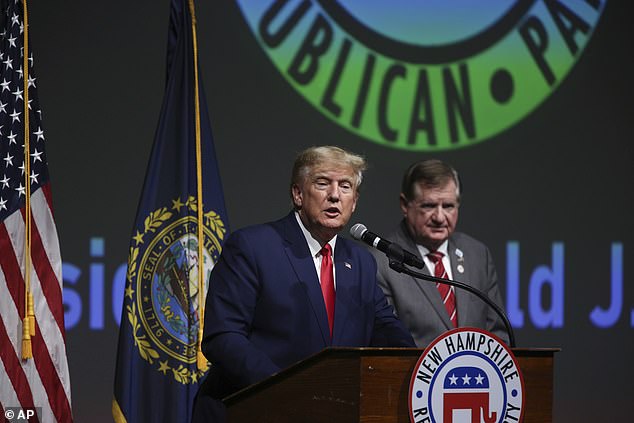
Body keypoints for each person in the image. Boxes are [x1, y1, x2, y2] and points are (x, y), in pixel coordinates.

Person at [192, 146, 415, 422]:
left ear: (354, 202)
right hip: (255, 411)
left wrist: (416, 367)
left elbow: (385, 329)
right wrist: (287, 389)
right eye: (323, 183)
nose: (335, 195)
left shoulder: (360, 261)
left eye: (345, 186)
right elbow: (222, 337)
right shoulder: (253, 247)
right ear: (298, 194)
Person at [370, 159, 508, 348]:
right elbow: (386, 346)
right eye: (428, 206)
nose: (440, 217)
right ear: (405, 205)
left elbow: (498, 335)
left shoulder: (477, 254)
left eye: (448, 206)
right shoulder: (380, 262)